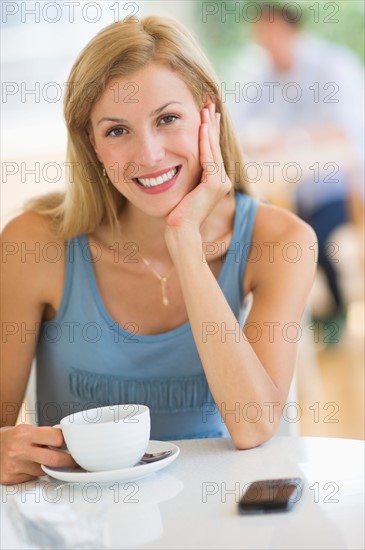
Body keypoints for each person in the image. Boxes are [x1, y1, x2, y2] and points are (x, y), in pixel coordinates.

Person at [0, 15, 316, 485]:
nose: (148, 155)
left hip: (222, 518)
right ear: (93, 145)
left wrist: (185, 243)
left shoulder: (280, 242)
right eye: (116, 130)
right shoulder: (34, 244)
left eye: (167, 119)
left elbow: (253, 427)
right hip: (85, 529)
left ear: (209, 116)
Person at [230, 3, 364, 334]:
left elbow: (347, 128)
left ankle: (331, 313)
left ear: (293, 30)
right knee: (263, 232)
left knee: (307, 236)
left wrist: (289, 140)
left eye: (271, 31)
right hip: (290, 190)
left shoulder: (333, 64)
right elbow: (235, 125)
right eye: (260, 33)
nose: (265, 40)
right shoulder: (262, 75)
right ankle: (293, 323)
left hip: (340, 188)